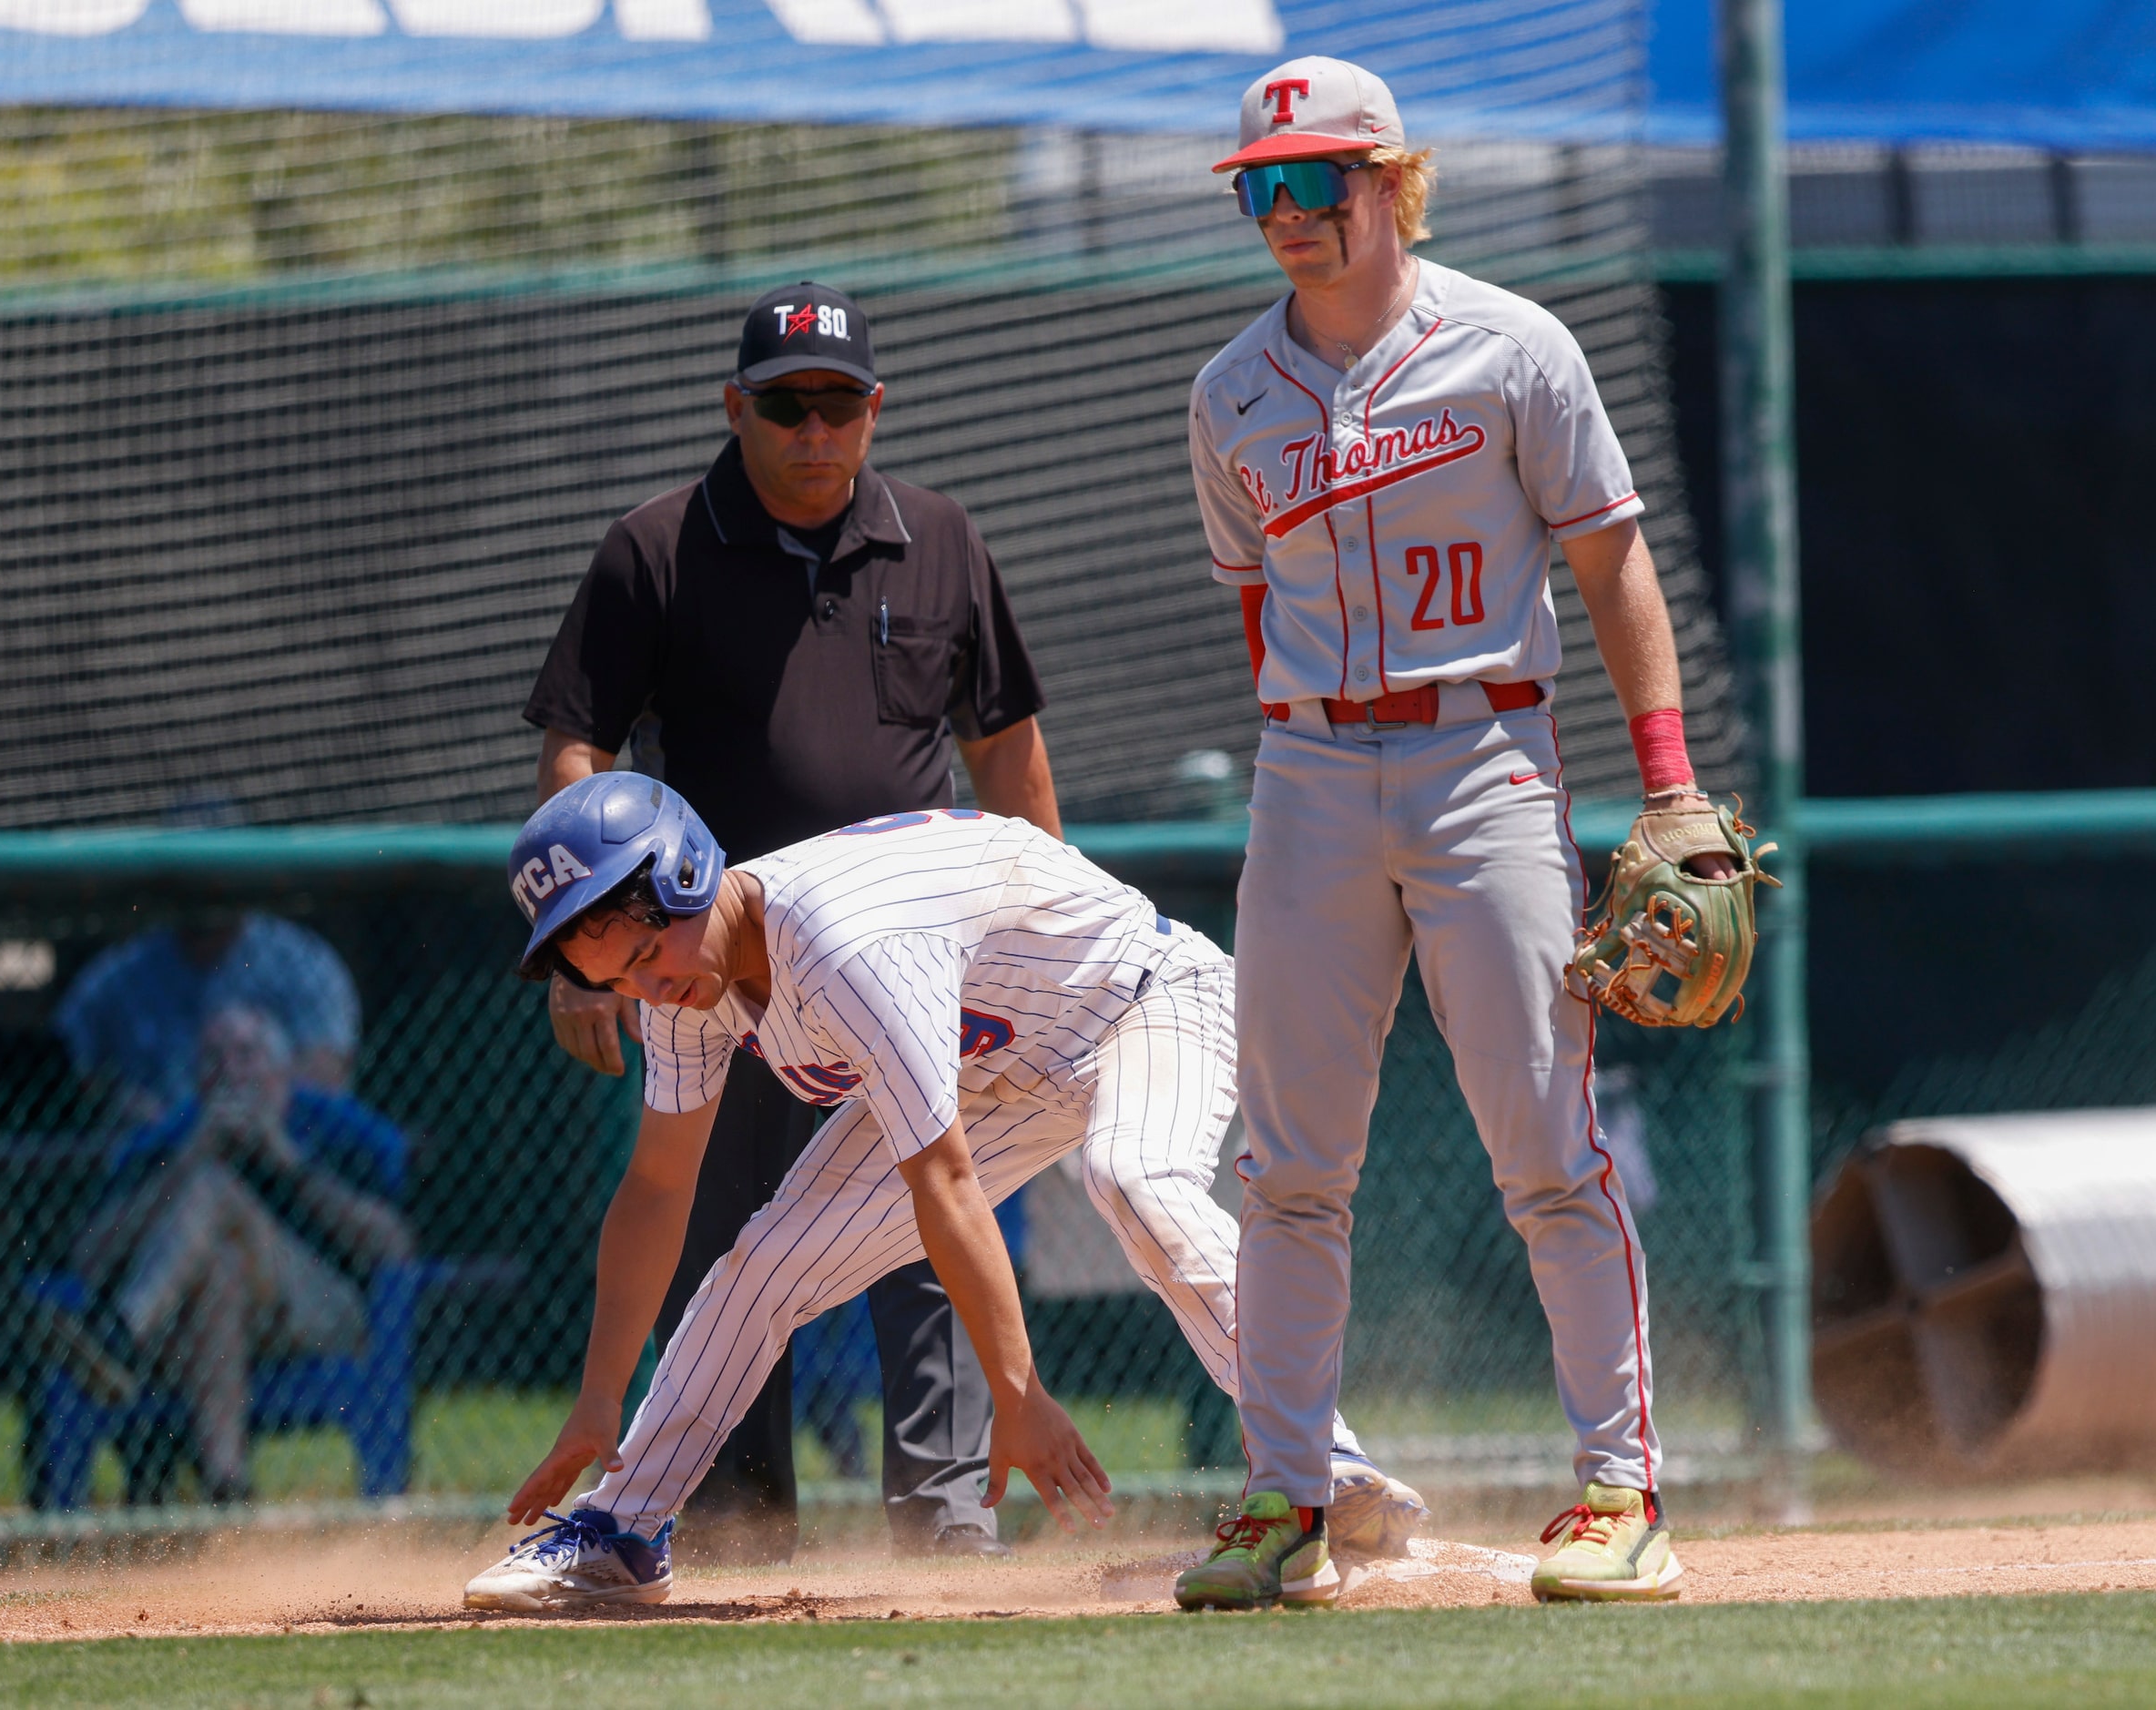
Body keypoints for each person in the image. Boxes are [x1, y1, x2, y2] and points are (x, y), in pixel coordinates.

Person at [1172, 57, 1727, 1609]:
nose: (1284, 213)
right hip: (1309, 777)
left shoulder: (1511, 345)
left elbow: (1614, 561)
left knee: (1549, 1146)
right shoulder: (1229, 393)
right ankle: (1285, 1502)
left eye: (1315, 181)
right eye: (1260, 188)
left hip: (1486, 754)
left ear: (1392, 183)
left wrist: (1666, 778)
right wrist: (1308, 747)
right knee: (1286, 1164)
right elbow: (1254, 600)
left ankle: (1622, 1490)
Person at [461, 777, 1426, 1611]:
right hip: (994, 1065)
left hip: (1143, 999)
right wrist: (596, 1400)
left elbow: (944, 1182)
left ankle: (1320, 1466)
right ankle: (621, 1532)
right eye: (615, 980)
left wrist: (1019, 1393)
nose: (646, 991)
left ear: (685, 878)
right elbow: (656, 1187)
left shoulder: (842, 942)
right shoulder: (687, 985)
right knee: (763, 1265)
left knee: (1132, 1175)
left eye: (642, 957)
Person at [521, 280, 1063, 1562]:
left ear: (876, 408)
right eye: (786, 404)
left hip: (910, 958)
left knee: (930, 1222)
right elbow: (577, 744)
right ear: (736, 405)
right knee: (726, 1247)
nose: (814, 430)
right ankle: (732, 1527)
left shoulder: (940, 538)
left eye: (839, 403)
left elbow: (1009, 752)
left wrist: (1034, 944)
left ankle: (942, 1525)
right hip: (717, 967)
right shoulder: (656, 547)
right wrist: (596, 951)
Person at [65, 1004, 412, 1503]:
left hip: (323, 1313)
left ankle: (119, 1338)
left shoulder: (330, 1125)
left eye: (246, 1055)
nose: (230, 1072)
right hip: (196, 1327)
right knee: (221, 1269)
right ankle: (228, 1488)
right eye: (213, 1060)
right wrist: (188, 1158)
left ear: (281, 1071)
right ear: (198, 1082)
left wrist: (286, 1161)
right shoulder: (172, 1136)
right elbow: (90, 1256)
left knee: (217, 1192)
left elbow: (394, 1247)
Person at [54, 910, 359, 1125]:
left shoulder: (298, 961)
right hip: (164, 1157)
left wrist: (252, 1118)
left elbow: (327, 1073)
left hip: (278, 1148)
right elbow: (66, 1069)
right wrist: (125, 1105)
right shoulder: (121, 974)